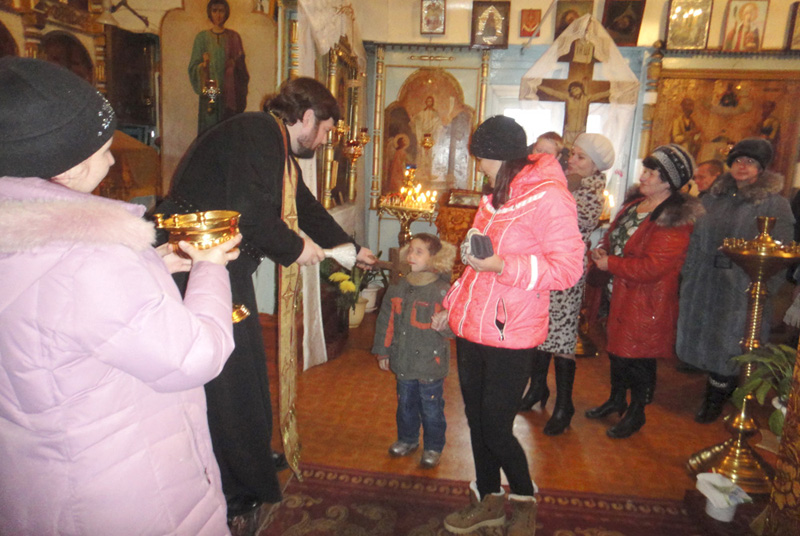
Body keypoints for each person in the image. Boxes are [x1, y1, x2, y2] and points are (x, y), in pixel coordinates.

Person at [0, 57, 241, 534]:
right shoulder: (91, 256)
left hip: (40, 478)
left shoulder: (25, 236)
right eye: (104, 149)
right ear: (68, 166)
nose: (112, 161)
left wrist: (151, 267)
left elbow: (51, 314)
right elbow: (195, 357)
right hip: (125, 491)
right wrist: (210, 269)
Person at [156, 77, 376, 521]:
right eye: (326, 130)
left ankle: (251, 456)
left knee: (249, 367)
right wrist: (297, 249)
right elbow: (250, 212)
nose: (325, 141)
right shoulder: (256, 132)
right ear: (307, 117)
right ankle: (234, 483)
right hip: (193, 266)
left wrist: (350, 249)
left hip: (218, 266)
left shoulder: (272, 144)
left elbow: (305, 207)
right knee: (228, 376)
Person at [439, 116, 584, 535]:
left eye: (481, 159)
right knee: (477, 420)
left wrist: (503, 265)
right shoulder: (496, 195)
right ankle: (488, 498)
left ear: (500, 157)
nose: (479, 167)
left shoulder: (549, 197)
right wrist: (451, 307)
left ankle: (523, 498)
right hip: (473, 327)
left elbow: (568, 269)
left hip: (512, 332)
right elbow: (476, 265)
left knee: (496, 427)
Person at [586, 145, 702, 438]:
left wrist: (611, 263)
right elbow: (614, 237)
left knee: (637, 359)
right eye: (646, 170)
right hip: (619, 292)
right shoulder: (634, 205)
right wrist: (603, 251)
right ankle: (616, 400)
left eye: (651, 173)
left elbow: (654, 267)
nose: (643, 176)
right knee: (616, 352)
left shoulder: (674, 218)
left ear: (669, 182)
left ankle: (636, 413)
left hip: (646, 300)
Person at [676, 138, 793, 424]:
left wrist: (762, 288)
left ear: (761, 168)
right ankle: (719, 388)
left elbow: (783, 252)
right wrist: (689, 274)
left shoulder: (774, 204)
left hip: (742, 286)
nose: (743, 166)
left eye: (750, 162)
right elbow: (695, 239)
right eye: (738, 160)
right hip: (705, 280)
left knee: (731, 342)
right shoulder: (712, 198)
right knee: (706, 338)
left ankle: (715, 398)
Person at [519, 133, 615, 437]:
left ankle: (564, 405)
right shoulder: (566, 182)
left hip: (565, 271)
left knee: (561, 337)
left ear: (595, 166)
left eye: (580, 157)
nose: (571, 160)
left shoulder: (591, 192)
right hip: (545, 265)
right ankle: (537, 388)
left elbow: (563, 224)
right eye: (572, 154)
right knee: (541, 329)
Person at [372, 233, 456, 469]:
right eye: (410, 250)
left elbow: (455, 327)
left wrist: (445, 324)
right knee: (406, 405)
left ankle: (433, 447)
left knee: (431, 408)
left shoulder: (442, 290)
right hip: (404, 360)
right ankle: (407, 439)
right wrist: (383, 351)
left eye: (419, 251)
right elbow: (386, 321)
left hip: (430, 363)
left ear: (434, 258)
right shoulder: (398, 287)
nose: (411, 255)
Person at [189, 0, 250, 134]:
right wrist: (203, 66)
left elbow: (242, 72)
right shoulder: (202, 38)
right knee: (210, 130)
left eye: (221, 11)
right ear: (210, 13)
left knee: (227, 131)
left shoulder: (234, 37)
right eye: (214, 11)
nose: (218, 15)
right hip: (210, 91)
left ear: (226, 13)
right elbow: (193, 67)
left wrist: (234, 66)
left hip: (229, 94)